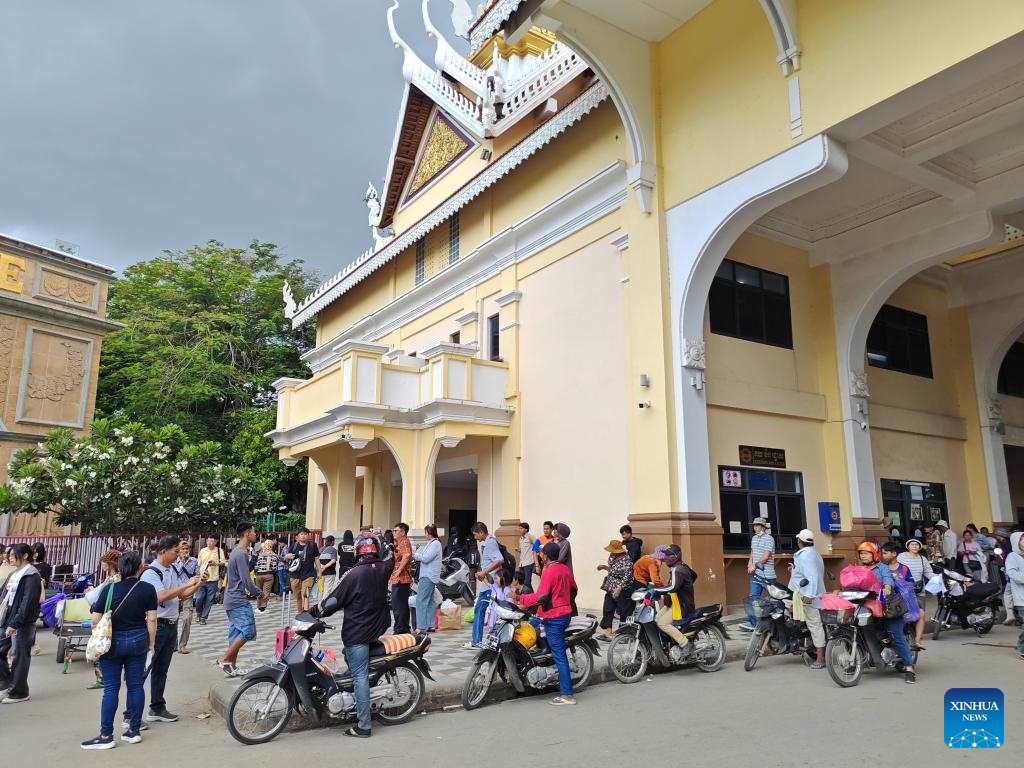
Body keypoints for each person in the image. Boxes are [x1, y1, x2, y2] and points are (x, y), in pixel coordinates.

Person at [311, 532, 394, 738]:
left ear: (358, 550)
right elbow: (391, 555)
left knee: (359, 676)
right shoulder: (383, 568)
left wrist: (314, 611)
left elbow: (333, 600)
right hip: (378, 626)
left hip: (358, 631)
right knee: (351, 659)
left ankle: (364, 725)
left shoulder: (354, 573)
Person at [79, 552, 158, 749]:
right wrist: (151, 644)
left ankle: (106, 735)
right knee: (135, 686)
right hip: (138, 639)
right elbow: (152, 619)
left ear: (120, 567)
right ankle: (133, 731)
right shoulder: (148, 589)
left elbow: (96, 620)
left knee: (111, 689)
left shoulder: (109, 589)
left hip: (112, 642)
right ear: (140, 568)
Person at [136, 535, 201, 725]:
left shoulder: (172, 569)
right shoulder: (151, 573)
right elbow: (160, 596)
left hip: (171, 625)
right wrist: (185, 585)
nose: (178, 555)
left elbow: (182, 595)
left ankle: (157, 707)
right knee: (144, 670)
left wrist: (198, 584)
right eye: (175, 551)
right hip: (157, 626)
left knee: (161, 670)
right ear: (163, 551)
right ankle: (131, 714)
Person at [517, 542, 577, 706]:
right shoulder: (565, 569)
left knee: (559, 655)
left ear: (547, 556)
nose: (540, 555)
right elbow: (574, 589)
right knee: (533, 626)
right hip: (564, 613)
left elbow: (541, 595)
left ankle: (567, 694)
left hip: (554, 617)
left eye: (542, 553)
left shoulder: (549, 570)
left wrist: (519, 598)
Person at [856, 541, 916, 683]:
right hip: (867, 606)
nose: (863, 556)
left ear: (874, 554)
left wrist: (887, 587)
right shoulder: (859, 569)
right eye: (861, 554)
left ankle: (909, 668)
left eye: (866, 553)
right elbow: (852, 582)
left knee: (895, 634)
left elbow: (889, 580)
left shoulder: (882, 568)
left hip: (888, 606)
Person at [217, 523, 262, 677]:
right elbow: (246, 580)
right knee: (248, 631)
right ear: (247, 533)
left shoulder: (237, 552)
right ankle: (224, 659)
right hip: (237, 599)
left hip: (231, 598)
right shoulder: (241, 553)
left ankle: (231, 667)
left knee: (236, 632)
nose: (255, 534)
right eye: (253, 532)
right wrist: (259, 593)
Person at [0, 543, 41, 704]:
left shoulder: (31, 574)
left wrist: (15, 623)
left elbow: (28, 602)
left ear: (24, 556)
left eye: (13, 555)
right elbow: (3, 595)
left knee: (20, 656)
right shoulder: (14, 574)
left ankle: (19, 692)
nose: (9, 558)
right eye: (8, 555)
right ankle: (8, 682)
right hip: (7, 619)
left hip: (22, 622)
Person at [789, 529, 826, 668]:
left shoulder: (806, 556)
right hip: (804, 594)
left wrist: (809, 595)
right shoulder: (813, 554)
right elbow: (807, 573)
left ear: (799, 542)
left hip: (808, 596)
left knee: (815, 625)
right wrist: (794, 570)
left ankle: (820, 658)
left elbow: (812, 576)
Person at [650, 545, 695, 657]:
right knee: (656, 619)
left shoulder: (678, 570)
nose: (665, 557)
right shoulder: (681, 566)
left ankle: (685, 643)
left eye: (668, 555)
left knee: (662, 623)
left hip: (681, 605)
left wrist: (655, 590)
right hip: (673, 602)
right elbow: (694, 575)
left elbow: (672, 587)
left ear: (675, 557)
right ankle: (669, 644)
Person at [467, 522, 504, 650]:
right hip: (487, 584)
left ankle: (477, 641)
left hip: (490, 585)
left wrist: (484, 572)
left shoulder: (490, 543)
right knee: (480, 609)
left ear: (481, 532)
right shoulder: (487, 543)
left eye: (476, 534)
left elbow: (499, 560)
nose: (475, 537)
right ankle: (476, 640)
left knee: (481, 610)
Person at [739, 516, 776, 632]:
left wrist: (755, 565)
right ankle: (754, 624)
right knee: (753, 598)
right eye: (754, 525)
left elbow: (765, 556)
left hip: (767, 574)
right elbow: (753, 553)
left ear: (763, 527)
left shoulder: (769, 539)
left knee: (773, 600)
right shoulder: (754, 538)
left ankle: (775, 622)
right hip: (756, 574)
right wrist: (750, 564)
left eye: (757, 525)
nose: (755, 527)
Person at [897, 538, 934, 648]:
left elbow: (928, 572)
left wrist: (937, 579)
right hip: (905, 590)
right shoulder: (901, 557)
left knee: (919, 613)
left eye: (917, 545)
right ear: (908, 546)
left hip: (919, 590)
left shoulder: (922, 559)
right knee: (906, 612)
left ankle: (917, 637)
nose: (914, 546)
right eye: (912, 544)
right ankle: (906, 633)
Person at [597, 539, 633, 641]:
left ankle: (624, 635)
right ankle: (608, 633)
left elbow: (627, 577)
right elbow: (613, 571)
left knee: (623, 612)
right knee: (608, 609)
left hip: (622, 589)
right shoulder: (613, 557)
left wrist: (619, 588)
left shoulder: (626, 561)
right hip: (611, 587)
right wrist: (604, 567)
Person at [413, 524, 442, 633]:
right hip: (429, 575)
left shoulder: (435, 544)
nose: (424, 535)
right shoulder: (432, 543)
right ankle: (430, 625)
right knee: (429, 601)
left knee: (421, 600)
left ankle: (421, 626)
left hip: (428, 575)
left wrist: (414, 554)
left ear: (429, 533)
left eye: (425, 532)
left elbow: (426, 558)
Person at [285, 527, 319, 613]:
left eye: (305, 534)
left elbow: (316, 558)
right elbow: (287, 558)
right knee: (298, 597)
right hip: (295, 575)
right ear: (297, 536)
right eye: (301, 534)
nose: (304, 536)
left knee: (305, 595)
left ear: (308, 536)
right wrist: (286, 557)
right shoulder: (294, 545)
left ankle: (306, 613)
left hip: (308, 575)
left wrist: (320, 571)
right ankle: (301, 613)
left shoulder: (313, 545)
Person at [173, 539, 198, 654]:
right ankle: (173, 644)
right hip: (175, 593)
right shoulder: (173, 562)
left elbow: (197, 575)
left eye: (186, 549)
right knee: (173, 619)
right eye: (182, 549)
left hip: (188, 593)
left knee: (187, 618)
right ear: (178, 550)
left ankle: (182, 645)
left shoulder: (193, 561)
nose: (185, 551)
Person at [388, 522, 413, 634]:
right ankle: (403, 627)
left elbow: (407, 555)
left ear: (403, 532)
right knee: (400, 604)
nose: (394, 533)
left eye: (396, 531)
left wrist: (399, 570)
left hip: (401, 578)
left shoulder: (404, 541)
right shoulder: (398, 542)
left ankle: (400, 628)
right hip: (398, 578)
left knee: (398, 604)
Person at [194, 535, 224, 625]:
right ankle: (198, 613)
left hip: (213, 578)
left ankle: (204, 617)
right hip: (202, 578)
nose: (210, 543)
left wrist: (215, 563)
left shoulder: (219, 551)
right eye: (208, 541)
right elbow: (198, 564)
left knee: (209, 599)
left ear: (215, 542)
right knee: (199, 598)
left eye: (212, 541)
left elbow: (223, 562)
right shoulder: (203, 551)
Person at [1004, 532, 1024, 660]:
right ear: (1016, 542)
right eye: (1022, 540)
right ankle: (1022, 648)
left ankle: (1021, 644)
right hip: (1022, 598)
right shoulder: (1012, 556)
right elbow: (1012, 574)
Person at [253, 539, 279, 612]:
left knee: (259, 590)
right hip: (268, 575)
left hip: (259, 575)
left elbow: (256, 566)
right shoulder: (274, 555)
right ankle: (263, 607)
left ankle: (258, 606)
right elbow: (274, 567)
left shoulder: (260, 555)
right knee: (266, 591)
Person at [317, 535, 339, 600]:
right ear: (332, 542)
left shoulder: (320, 549)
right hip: (330, 573)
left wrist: (320, 567)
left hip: (320, 573)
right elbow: (333, 560)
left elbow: (316, 560)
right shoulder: (333, 550)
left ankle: (319, 605)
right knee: (327, 590)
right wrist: (325, 567)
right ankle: (324, 606)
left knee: (320, 590)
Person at [517, 522, 536, 593]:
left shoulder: (530, 536)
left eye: (521, 528)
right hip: (522, 563)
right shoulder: (520, 539)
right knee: (522, 581)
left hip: (529, 562)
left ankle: (531, 598)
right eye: (519, 528)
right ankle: (532, 597)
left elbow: (537, 544)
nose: (519, 530)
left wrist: (535, 554)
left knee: (527, 582)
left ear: (526, 529)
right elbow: (523, 550)